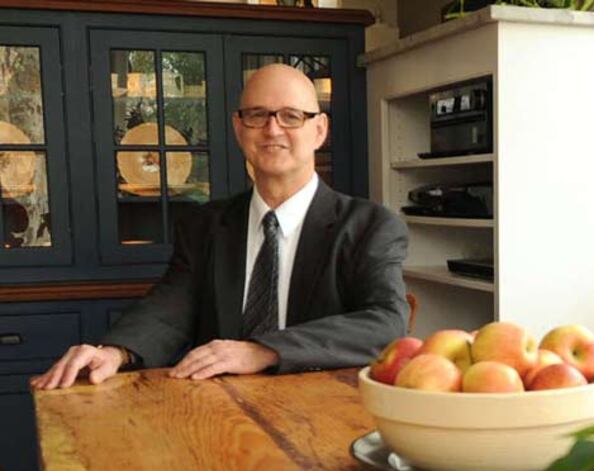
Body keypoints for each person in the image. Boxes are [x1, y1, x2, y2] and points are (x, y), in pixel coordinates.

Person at [31, 64, 409, 389]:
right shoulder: (204, 226)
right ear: (238, 127)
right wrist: (114, 352)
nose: (273, 129)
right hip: (219, 417)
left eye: (291, 116)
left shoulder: (370, 226)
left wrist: (263, 350)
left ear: (320, 130)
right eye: (257, 115)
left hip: (323, 416)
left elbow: (386, 323)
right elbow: (170, 309)